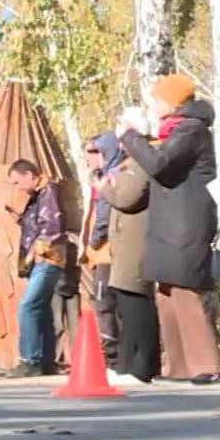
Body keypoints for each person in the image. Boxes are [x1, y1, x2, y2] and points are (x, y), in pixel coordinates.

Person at [117, 74, 220, 384]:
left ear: (175, 101)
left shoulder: (191, 130)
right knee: (166, 291)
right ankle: (178, 365)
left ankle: (206, 364)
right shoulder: (174, 130)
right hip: (170, 220)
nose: (153, 106)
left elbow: (160, 163)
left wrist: (131, 137)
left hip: (186, 219)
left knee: (183, 289)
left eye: (158, 100)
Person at [102, 133, 160, 385]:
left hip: (135, 242)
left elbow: (127, 197)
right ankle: (126, 364)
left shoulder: (142, 163)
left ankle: (143, 365)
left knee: (135, 301)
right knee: (125, 302)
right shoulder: (133, 163)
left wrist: (105, 188)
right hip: (125, 241)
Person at [5, 159, 66, 377]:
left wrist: (34, 253)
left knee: (28, 306)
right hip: (44, 258)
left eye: (17, 181)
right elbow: (38, 224)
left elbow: (51, 225)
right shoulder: (37, 196)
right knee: (42, 309)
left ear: (30, 175)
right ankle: (47, 360)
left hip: (47, 258)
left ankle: (30, 359)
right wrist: (21, 220)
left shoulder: (48, 191)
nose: (18, 187)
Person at [82, 135, 122, 370]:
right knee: (105, 300)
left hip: (108, 250)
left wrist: (94, 241)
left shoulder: (111, 177)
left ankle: (112, 356)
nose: (88, 157)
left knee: (104, 301)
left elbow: (104, 213)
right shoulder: (98, 178)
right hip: (101, 252)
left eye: (93, 151)